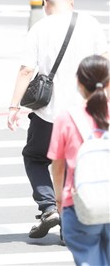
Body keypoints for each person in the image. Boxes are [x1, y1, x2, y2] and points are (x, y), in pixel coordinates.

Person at [7, 0, 108, 239]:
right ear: (71, 0)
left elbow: (26, 70)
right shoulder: (91, 24)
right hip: (86, 113)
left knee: (35, 157)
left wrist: (13, 106)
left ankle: (48, 206)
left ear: (45, 5)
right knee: (80, 166)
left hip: (49, 115)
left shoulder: (39, 28)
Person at [48, 55, 110, 266]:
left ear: (79, 83)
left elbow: (57, 166)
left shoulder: (67, 117)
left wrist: (58, 200)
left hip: (79, 204)